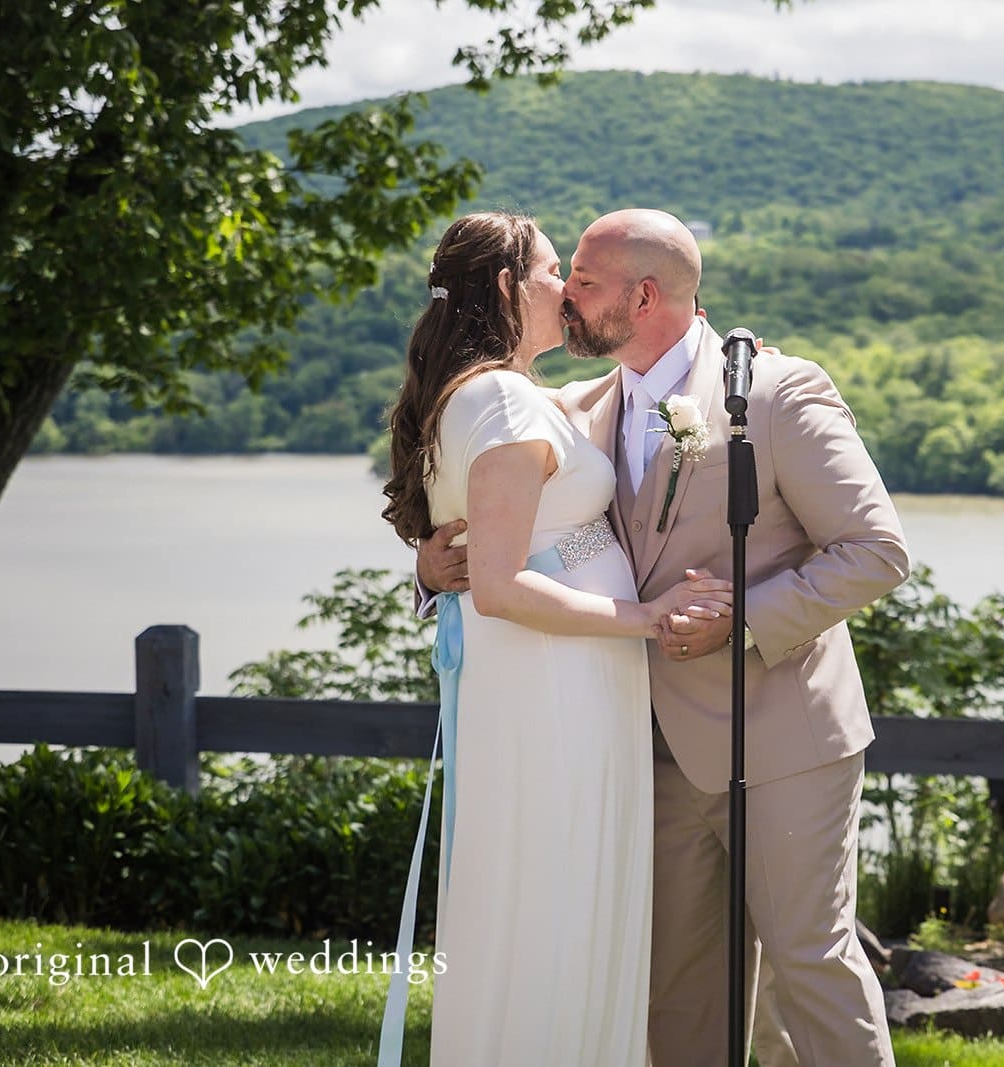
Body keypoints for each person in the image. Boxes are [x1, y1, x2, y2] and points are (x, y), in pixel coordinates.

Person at [418, 208, 909, 1066]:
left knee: (810, 965)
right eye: (563, 274)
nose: (567, 292)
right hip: (645, 747)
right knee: (679, 988)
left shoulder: (775, 394)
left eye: (585, 280)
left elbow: (876, 551)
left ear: (644, 297)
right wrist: (430, 569)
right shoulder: (573, 409)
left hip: (781, 736)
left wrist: (739, 620)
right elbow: (502, 520)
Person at [378, 210, 733, 1066]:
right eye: (550, 272)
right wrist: (646, 616)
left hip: (557, 678)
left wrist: (430, 569)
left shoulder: (504, 392)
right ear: (507, 287)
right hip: (555, 687)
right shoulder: (499, 399)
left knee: (551, 886)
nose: (566, 288)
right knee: (559, 890)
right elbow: (500, 583)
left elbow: (472, 551)